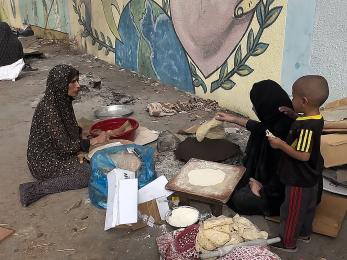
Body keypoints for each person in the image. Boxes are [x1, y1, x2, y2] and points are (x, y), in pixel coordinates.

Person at [19, 64, 107, 206]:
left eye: (77, 80)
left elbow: (65, 126)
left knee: (92, 161)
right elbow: (66, 147)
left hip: (57, 151)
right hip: (44, 162)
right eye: (73, 82)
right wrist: (94, 141)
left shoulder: (62, 99)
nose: (78, 85)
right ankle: (35, 189)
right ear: (60, 84)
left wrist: (83, 132)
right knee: (87, 174)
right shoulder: (49, 109)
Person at [215, 80, 294, 216]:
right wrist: (232, 119)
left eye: (255, 105)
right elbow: (258, 127)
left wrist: (261, 188)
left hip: (281, 195)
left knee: (238, 198)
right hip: (268, 182)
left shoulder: (285, 136)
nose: (253, 109)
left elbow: (286, 178)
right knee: (229, 183)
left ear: (265, 106)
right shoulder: (278, 120)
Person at [268, 75, 329, 252]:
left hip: (299, 179)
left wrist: (280, 144)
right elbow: (306, 126)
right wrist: (294, 115)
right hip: (312, 175)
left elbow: (303, 155)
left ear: (303, 101)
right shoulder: (316, 118)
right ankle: (304, 233)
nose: (291, 98)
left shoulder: (306, 128)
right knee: (308, 208)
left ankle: (288, 242)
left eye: (293, 96)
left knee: (292, 211)